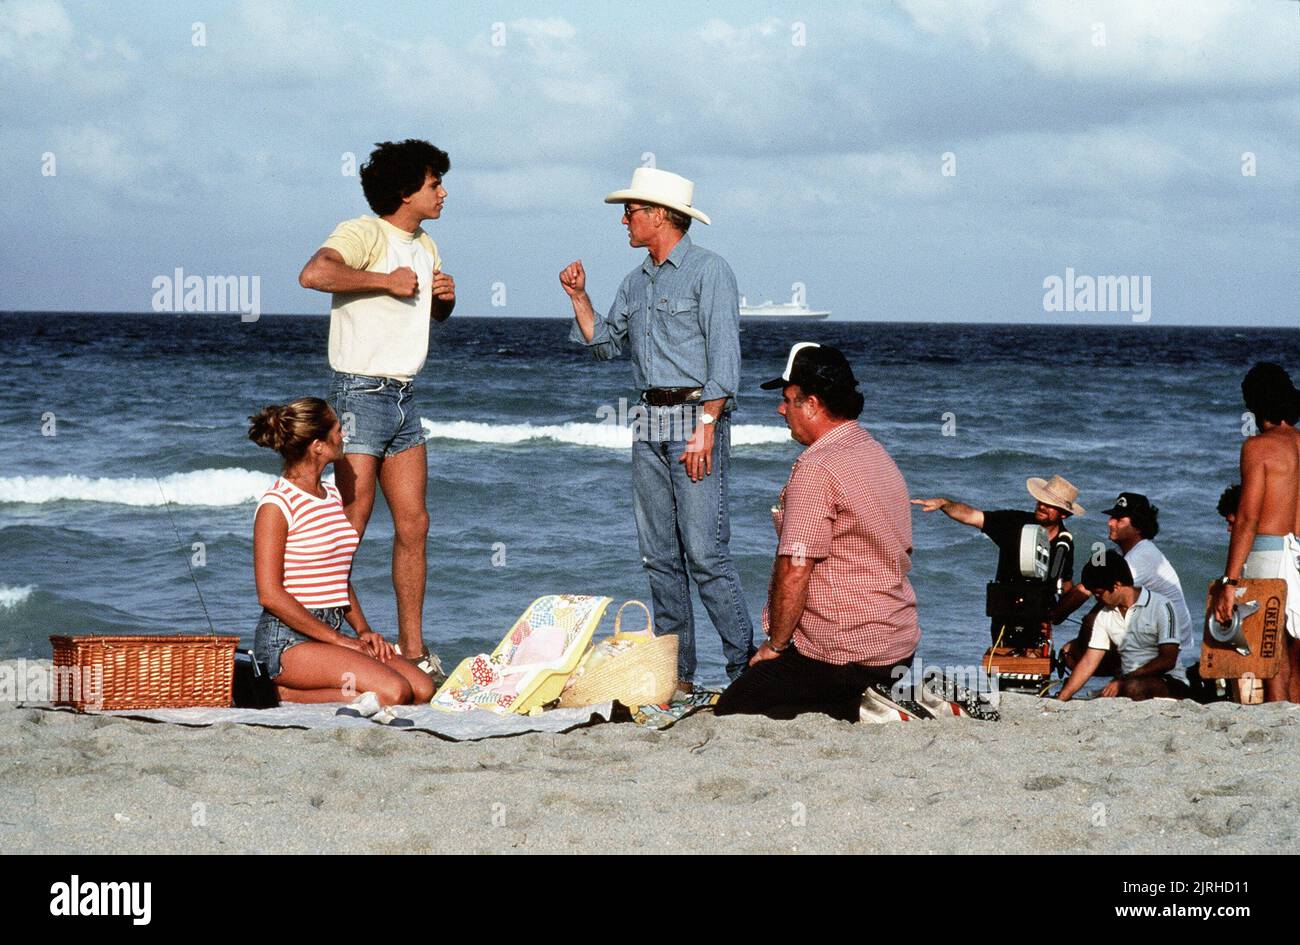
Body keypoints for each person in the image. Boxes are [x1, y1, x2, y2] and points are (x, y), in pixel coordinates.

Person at [559, 167, 752, 689]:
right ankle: (677, 677)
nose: (625, 219)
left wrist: (707, 426)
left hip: (695, 419)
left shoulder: (711, 271)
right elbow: (604, 344)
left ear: (662, 216)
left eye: (633, 210)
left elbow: (724, 361)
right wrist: (579, 296)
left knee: (706, 554)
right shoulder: (634, 281)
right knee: (659, 558)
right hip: (646, 421)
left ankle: (745, 669)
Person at [298, 140, 456, 681]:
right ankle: (322, 634)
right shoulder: (363, 232)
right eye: (435, 184)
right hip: (360, 394)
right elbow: (315, 274)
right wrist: (384, 281)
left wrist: (444, 302)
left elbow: (420, 317)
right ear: (405, 190)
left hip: (405, 398)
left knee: (415, 524)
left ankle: (414, 651)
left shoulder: (428, 244)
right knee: (350, 523)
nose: (443, 193)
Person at [715, 344, 918, 720]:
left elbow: (795, 568)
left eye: (787, 400)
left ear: (811, 403)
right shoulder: (871, 450)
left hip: (847, 655)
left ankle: (856, 704)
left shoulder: (817, 467)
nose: (780, 410)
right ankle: (874, 698)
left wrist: (775, 646)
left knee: (734, 708)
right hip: (897, 646)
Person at [248, 397, 435, 707]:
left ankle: (320, 685)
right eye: (337, 429)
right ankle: (283, 692)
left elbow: (336, 576)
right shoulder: (276, 505)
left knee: (422, 688)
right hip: (287, 642)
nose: (344, 435)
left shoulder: (332, 495)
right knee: (394, 692)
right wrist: (339, 640)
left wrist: (362, 630)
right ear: (318, 446)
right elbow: (269, 594)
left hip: (331, 633)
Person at [1212, 363, 1300, 703]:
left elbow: (1247, 518)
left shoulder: (1258, 447)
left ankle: (1279, 721)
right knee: (1296, 652)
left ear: (1253, 404)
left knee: (1271, 651)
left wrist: (1229, 582)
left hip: (1270, 552)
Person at [912, 475, 1082, 647]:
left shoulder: (1065, 542)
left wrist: (1058, 613)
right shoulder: (1014, 523)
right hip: (1004, 610)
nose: (1042, 506)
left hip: (1039, 618)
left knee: (1035, 668)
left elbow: (1065, 583)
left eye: (1050, 505)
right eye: (1041, 500)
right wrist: (944, 504)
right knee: (1003, 664)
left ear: (1064, 514)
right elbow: (972, 516)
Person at [1055, 493, 1194, 679]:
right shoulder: (1119, 552)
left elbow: (1091, 590)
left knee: (1084, 634)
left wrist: (1054, 617)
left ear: (1138, 526)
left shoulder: (1142, 556)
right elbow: (1086, 583)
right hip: (1146, 628)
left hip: (1167, 643)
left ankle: (1122, 675)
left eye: (1119, 519)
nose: (1110, 523)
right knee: (1081, 640)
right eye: (1111, 517)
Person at [1056, 550, 1191, 702]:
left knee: (1133, 687)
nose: (1096, 598)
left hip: (1168, 680)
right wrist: (1062, 698)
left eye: (1099, 593)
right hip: (1127, 681)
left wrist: (1124, 679)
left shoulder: (1161, 606)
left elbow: (1168, 659)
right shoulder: (1104, 615)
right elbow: (1089, 661)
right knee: (1124, 689)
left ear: (1117, 585)